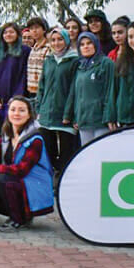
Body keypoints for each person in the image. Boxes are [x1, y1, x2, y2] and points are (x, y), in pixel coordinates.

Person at [0, 96, 54, 232]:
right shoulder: (6, 135)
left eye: (22, 110)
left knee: (2, 179)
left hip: (33, 185)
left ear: (29, 114)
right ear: (8, 113)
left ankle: (19, 219)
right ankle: (19, 214)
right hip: (16, 183)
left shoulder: (35, 139)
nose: (16, 113)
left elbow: (21, 170)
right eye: (13, 109)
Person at [35, 28, 79, 176]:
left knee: (66, 152)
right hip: (47, 113)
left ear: (66, 40)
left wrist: (69, 113)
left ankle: (63, 179)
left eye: (60, 39)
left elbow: (74, 89)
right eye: (53, 40)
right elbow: (42, 86)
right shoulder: (49, 60)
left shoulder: (74, 60)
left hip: (65, 114)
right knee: (48, 150)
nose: (56, 43)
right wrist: (39, 108)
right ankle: (51, 177)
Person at [63, 32, 114, 145]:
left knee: (101, 153)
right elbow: (76, 94)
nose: (86, 46)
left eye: (89, 43)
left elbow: (110, 91)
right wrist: (75, 116)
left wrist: (109, 117)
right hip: (84, 120)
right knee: (87, 154)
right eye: (82, 44)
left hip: (100, 120)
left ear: (96, 44)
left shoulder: (106, 63)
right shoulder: (80, 66)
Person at [0, 22, 29, 127]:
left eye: (11, 32)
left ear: (17, 34)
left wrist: (16, 97)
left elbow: (23, 76)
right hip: (0, 100)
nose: (8, 35)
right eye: (5, 32)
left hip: (15, 99)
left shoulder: (24, 51)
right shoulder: (0, 52)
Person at [24, 17, 51, 97]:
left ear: (44, 30)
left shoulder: (49, 48)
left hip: (44, 90)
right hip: (31, 90)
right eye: (31, 28)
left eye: (37, 28)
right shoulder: (33, 49)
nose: (34, 31)